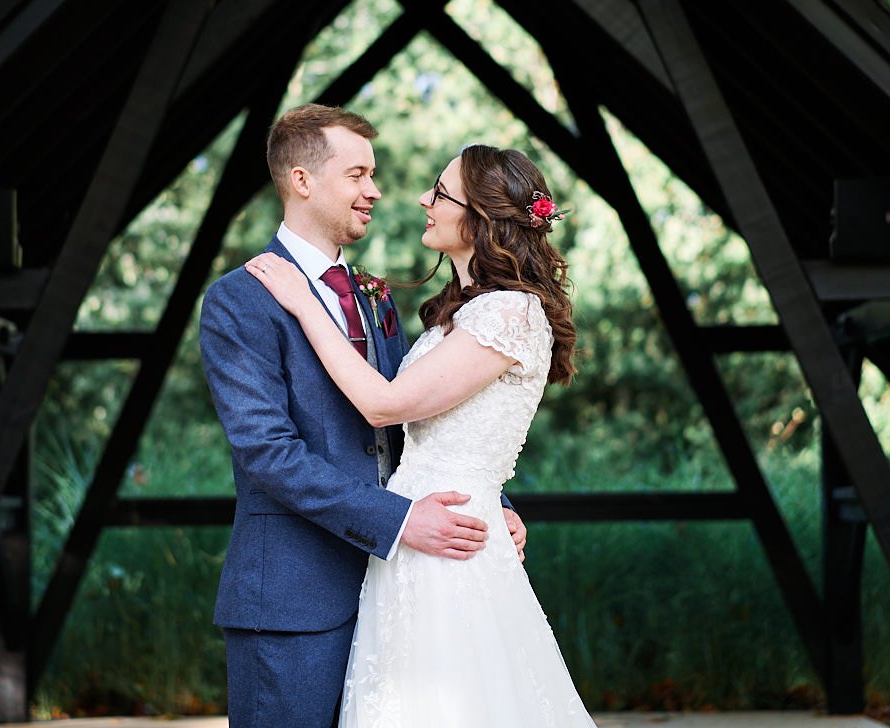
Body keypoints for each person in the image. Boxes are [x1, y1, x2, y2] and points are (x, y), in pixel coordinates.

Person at [246, 143, 596, 726]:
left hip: (450, 549)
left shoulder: (509, 314)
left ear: (480, 219)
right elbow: (439, 430)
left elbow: (385, 407)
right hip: (413, 542)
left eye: (440, 193)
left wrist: (307, 308)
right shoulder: (458, 315)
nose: (421, 200)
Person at [199, 104, 527, 728]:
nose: (374, 190)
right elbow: (269, 453)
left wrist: (491, 506)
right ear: (302, 180)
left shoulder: (375, 296)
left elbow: (419, 422)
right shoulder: (239, 300)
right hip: (293, 604)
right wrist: (401, 521)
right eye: (357, 174)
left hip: (401, 597)